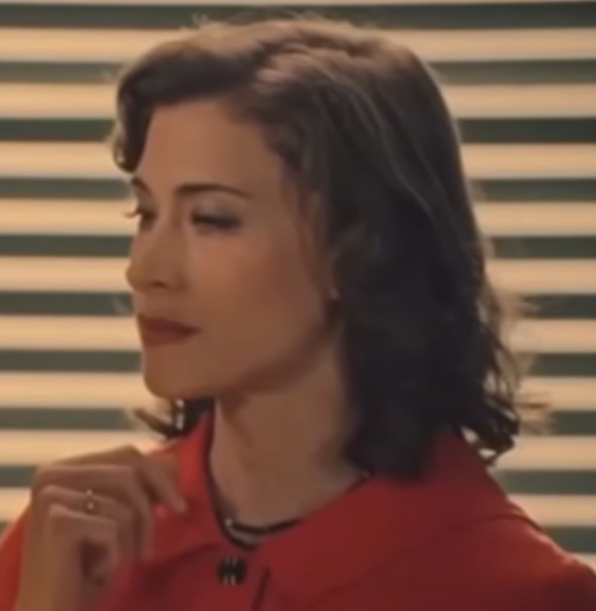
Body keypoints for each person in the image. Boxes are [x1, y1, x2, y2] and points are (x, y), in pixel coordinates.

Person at [1, 16, 595, 611]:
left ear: (359, 249)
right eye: (146, 214)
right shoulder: (65, 549)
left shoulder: (517, 590)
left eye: (211, 219)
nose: (146, 270)